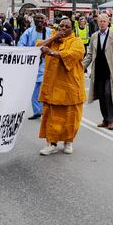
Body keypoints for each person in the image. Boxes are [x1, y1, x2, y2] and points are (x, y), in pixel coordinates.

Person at [36, 18, 86, 155]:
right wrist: (53, 38)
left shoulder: (77, 41)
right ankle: (51, 143)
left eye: (67, 27)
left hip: (70, 87)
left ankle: (68, 142)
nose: (63, 29)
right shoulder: (53, 40)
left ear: (72, 29)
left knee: (70, 117)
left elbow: (74, 54)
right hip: (52, 86)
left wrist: (52, 53)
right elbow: (37, 48)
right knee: (52, 116)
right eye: (61, 26)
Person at [82, 13, 113, 130]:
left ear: (108, 23)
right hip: (98, 70)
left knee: (108, 94)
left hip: (111, 71)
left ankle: (111, 120)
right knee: (101, 95)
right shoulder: (94, 36)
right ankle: (105, 119)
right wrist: (82, 66)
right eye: (100, 21)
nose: (102, 23)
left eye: (104, 21)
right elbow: (90, 54)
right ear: (97, 23)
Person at [17, 13, 53, 120]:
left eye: (42, 18)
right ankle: (37, 111)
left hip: (47, 64)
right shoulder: (29, 32)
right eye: (37, 18)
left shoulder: (50, 32)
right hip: (33, 65)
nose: (40, 20)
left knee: (46, 88)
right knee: (34, 89)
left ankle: (46, 110)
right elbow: (21, 45)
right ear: (34, 19)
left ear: (45, 20)